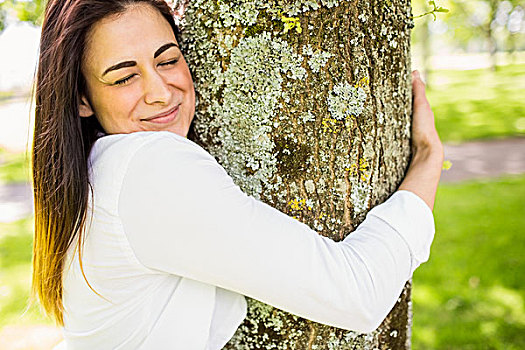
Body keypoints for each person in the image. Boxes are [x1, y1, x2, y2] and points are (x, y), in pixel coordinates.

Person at [31, 0, 444, 349]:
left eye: (168, 59)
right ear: (82, 98)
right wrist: (427, 157)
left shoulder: (94, 170)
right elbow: (357, 293)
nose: (159, 91)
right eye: (124, 77)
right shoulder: (148, 167)